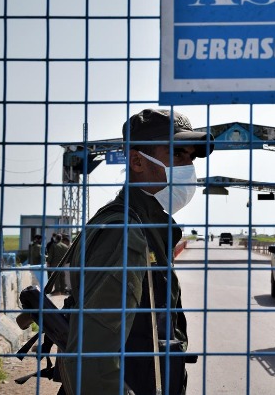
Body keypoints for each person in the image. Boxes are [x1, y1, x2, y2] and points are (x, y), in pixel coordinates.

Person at [59, 108, 213, 395]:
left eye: (191, 157)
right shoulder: (125, 232)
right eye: (177, 154)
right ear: (136, 161)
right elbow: (93, 359)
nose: (188, 166)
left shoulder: (144, 223)